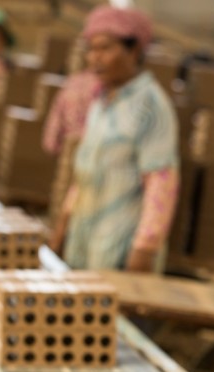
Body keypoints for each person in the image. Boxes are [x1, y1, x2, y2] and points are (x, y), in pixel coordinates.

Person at [50, 6, 180, 273]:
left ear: (133, 51)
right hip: (85, 239)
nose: (94, 58)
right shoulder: (101, 101)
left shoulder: (150, 105)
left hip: (121, 247)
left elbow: (162, 180)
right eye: (91, 49)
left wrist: (145, 248)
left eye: (105, 49)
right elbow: (85, 171)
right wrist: (63, 226)